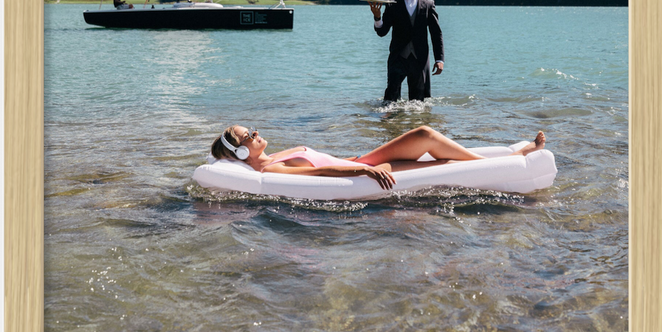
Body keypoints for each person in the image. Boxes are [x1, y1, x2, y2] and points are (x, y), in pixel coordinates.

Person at [210, 123, 545, 190]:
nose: (255, 133)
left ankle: (512, 155)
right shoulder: (273, 169)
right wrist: (364, 174)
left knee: (430, 146)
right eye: (247, 136)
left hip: (362, 159)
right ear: (241, 151)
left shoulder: (272, 156)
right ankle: (513, 159)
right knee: (427, 138)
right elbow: (318, 174)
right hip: (365, 168)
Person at [369, 0, 443, 102]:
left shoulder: (428, 4)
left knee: (419, 103)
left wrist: (439, 59)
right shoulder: (391, 3)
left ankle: (416, 124)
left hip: (420, 59)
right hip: (398, 58)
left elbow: (436, 33)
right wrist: (377, 17)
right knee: (390, 101)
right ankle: (390, 123)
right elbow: (382, 32)